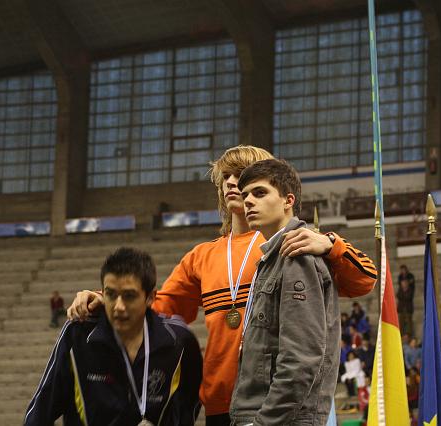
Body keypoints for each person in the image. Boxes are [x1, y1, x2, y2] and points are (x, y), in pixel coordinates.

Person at [66, 145, 377, 424]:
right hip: (219, 402)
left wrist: (331, 244)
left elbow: (364, 282)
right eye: (226, 176)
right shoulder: (203, 255)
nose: (231, 182)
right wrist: (102, 300)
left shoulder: (293, 243)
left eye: (241, 175)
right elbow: (156, 310)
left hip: (275, 404)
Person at [25, 248, 202, 425]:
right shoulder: (78, 333)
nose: (118, 306)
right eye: (110, 294)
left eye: (129, 296)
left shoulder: (178, 341)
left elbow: (188, 406)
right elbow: (41, 411)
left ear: (150, 298)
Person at [229, 158, 339, 425]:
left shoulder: (296, 255)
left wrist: (264, 422)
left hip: (279, 419)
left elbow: (300, 359)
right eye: (245, 196)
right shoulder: (272, 257)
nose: (249, 202)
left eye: (260, 192)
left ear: (288, 200)